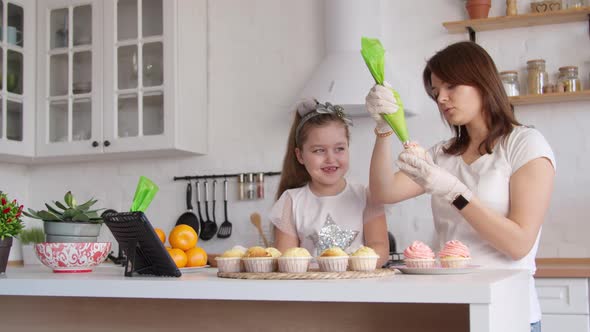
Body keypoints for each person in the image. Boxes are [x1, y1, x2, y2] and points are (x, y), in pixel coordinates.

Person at [366, 41, 555, 331]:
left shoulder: (525, 144)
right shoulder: (443, 154)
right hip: (449, 309)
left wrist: (455, 192)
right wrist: (383, 130)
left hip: (508, 313)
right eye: (435, 91)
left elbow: (518, 244)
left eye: (451, 86)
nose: (442, 98)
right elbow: (384, 192)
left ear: (482, 82)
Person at [270, 99, 389, 266]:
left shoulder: (367, 196)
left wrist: (346, 268)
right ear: (300, 156)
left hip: (358, 288)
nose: (330, 159)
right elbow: (287, 260)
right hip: (310, 289)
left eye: (339, 149)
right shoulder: (291, 201)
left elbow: (380, 248)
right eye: (319, 150)